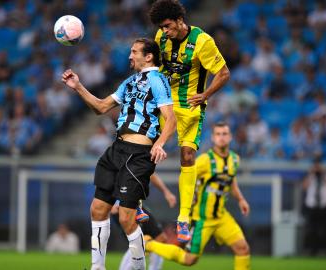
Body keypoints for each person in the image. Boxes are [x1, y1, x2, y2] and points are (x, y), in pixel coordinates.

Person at [62, 38, 176, 270]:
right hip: (116, 150)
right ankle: (98, 267)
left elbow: (171, 118)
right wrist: (78, 87)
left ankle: (138, 267)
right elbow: (101, 107)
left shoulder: (158, 80)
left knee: (126, 217)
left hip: (138, 154)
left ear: (149, 56)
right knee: (97, 209)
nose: (130, 56)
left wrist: (160, 143)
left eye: (134, 52)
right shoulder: (129, 82)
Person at [149, 0, 231, 243]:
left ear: (179, 20)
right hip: (164, 105)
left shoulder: (202, 41)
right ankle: (136, 203)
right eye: (161, 27)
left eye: (167, 26)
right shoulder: (161, 38)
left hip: (190, 106)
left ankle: (183, 218)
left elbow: (224, 73)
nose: (164, 31)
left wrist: (205, 95)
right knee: (145, 149)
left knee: (187, 156)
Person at [144, 122, 251, 270]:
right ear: (213, 138)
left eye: (224, 134)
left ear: (230, 137)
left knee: (242, 248)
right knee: (189, 259)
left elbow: (230, 180)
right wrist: (192, 195)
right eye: (218, 134)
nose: (221, 137)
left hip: (221, 216)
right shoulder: (205, 160)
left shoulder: (235, 159)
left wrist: (241, 199)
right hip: (202, 219)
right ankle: (149, 244)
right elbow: (187, 178)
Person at [115, 173, 177, 270]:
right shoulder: (118, 161)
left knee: (160, 239)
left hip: (136, 205)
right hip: (123, 207)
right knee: (139, 241)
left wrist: (166, 192)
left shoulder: (138, 162)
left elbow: (151, 174)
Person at [302, 156, 326, 255]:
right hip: (312, 206)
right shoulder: (310, 175)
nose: (317, 167)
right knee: (311, 229)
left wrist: (323, 173)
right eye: (315, 165)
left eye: (318, 165)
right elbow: (304, 186)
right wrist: (311, 174)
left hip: (325, 206)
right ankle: (312, 251)